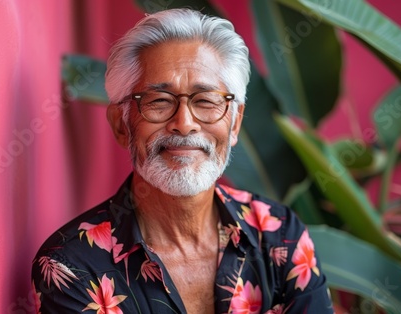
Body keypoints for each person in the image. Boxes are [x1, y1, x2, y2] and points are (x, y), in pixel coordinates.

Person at [31, 8, 333, 314]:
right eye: (159, 101)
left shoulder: (281, 235)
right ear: (121, 125)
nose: (185, 123)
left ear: (235, 123)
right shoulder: (74, 267)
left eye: (206, 101)